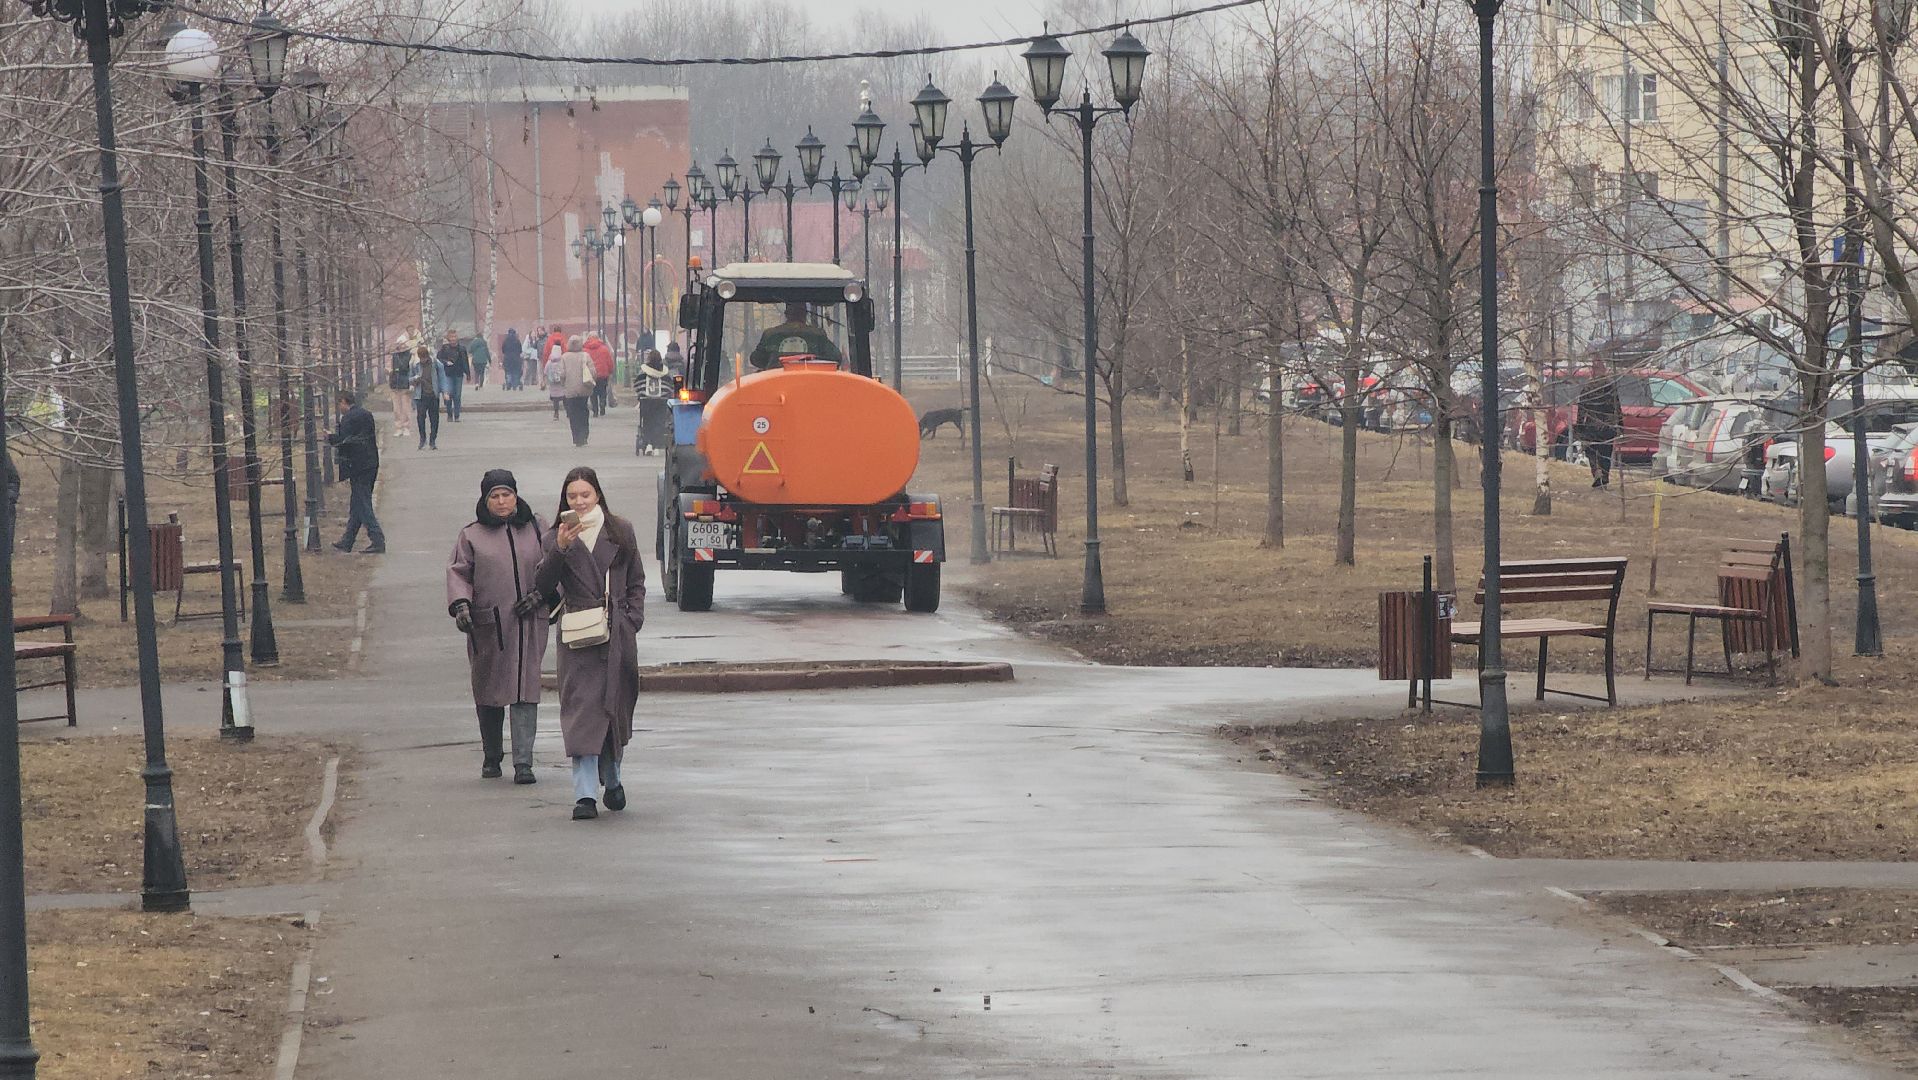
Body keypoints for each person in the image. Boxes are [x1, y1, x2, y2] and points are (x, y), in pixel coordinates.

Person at [535, 467, 645, 820]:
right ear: (564, 500)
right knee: (582, 713)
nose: (579, 502)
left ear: (598, 494)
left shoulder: (620, 530)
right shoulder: (557, 537)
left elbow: (637, 580)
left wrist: (631, 620)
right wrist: (561, 550)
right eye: (572, 496)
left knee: (614, 709)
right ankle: (584, 795)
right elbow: (543, 584)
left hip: (617, 636)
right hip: (578, 636)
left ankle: (612, 780)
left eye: (585, 494)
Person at [447, 469, 550, 784]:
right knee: (488, 688)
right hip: (488, 625)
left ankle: (524, 763)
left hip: (529, 623)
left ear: (516, 496)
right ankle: (492, 756)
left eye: (507, 494)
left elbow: (556, 565)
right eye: (495, 496)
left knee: (525, 689)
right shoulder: (471, 535)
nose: (502, 501)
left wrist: (540, 595)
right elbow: (459, 573)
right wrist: (462, 605)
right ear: (485, 499)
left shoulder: (537, 528)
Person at [327, 390, 385, 554]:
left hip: (357, 466)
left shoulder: (349, 418)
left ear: (344, 402)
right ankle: (348, 540)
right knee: (356, 504)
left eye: (339, 404)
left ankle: (377, 539)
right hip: (371, 463)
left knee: (363, 503)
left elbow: (345, 442)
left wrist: (331, 437)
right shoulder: (366, 414)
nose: (339, 408)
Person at [749, 302, 841, 371]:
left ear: (786, 314)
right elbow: (836, 358)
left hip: (775, 383)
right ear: (805, 314)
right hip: (811, 382)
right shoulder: (818, 334)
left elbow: (756, 359)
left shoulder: (770, 334)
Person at [1576, 365, 1623, 489]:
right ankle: (1605, 478)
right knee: (1606, 454)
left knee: (1591, 451)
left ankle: (1597, 471)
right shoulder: (1610, 387)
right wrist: (1620, 425)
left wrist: (1580, 426)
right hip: (1607, 426)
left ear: (1593, 372)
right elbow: (1617, 407)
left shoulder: (1587, 388)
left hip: (1591, 425)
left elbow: (1581, 409)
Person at [557, 335, 596, 447]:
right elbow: (593, 372)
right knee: (583, 411)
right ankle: (584, 435)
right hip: (584, 389)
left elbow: (562, 374)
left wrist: (563, 383)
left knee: (573, 414)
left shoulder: (564, 357)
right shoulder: (585, 355)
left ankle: (576, 437)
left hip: (570, 389)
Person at [410, 343, 447, 450]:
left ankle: (433, 440)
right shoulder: (415, 365)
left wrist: (445, 391)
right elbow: (409, 379)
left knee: (434, 419)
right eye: (421, 358)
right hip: (420, 396)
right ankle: (422, 439)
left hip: (433, 395)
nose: (423, 360)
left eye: (424, 358)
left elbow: (442, 377)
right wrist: (414, 379)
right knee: (420, 418)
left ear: (427, 356)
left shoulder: (435, 363)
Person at [635, 349, 671, 457]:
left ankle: (648, 443)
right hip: (661, 401)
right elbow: (669, 386)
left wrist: (640, 395)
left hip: (646, 401)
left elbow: (638, 384)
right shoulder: (665, 371)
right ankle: (656, 445)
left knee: (647, 422)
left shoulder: (643, 371)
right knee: (659, 423)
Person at [438, 330, 471, 422]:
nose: (453, 339)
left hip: (458, 374)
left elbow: (465, 361)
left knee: (457, 395)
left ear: (457, 338)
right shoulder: (445, 348)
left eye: (454, 337)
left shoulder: (462, 349)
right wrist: (445, 362)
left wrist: (468, 373)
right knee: (448, 395)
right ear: (449, 338)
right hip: (447, 374)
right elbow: (439, 359)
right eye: (451, 337)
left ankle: (457, 415)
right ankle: (449, 414)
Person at [388, 333, 415, 438]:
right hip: (395, 384)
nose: (401, 345)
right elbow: (390, 368)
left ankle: (406, 427)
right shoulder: (394, 356)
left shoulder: (410, 355)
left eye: (403, 343)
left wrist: (411, 383)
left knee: (406, 408)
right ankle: (398, 427)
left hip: (405, 384)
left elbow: (411, 370)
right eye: (400, 343)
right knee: (396, 409)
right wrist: (389, 372)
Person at [584, 333, 616, 416]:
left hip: (591, 375)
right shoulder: (604, 349)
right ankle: (602, 404)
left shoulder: (585, 350)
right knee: (602, 391)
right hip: (603, 374)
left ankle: (595, 410)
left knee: (593, 393)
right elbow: (609, 362)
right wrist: (611, 371)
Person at [545, 346, 567, 421]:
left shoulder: (549, 361)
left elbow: (545, 372)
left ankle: (556, 413)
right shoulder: (562, 360)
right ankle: (568, 412)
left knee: (555, 400)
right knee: (565, 398)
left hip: (553, 384)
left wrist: (545, 380)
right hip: (561, 383)